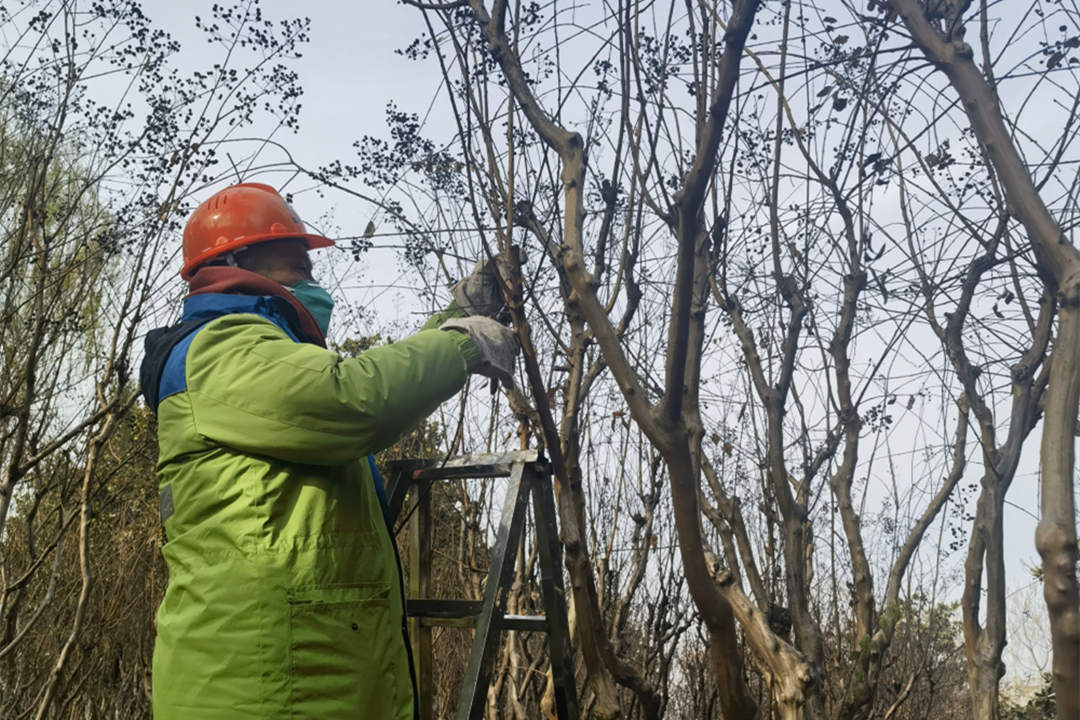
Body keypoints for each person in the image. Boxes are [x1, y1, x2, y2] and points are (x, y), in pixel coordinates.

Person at [139, 182, 518, 719]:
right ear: (236, 262)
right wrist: (462, 342)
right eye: (297, 263)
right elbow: (349, 399)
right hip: (258, 690)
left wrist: (455, 315)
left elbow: (343, 395)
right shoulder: (221, 347)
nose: (313, 280)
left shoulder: (258, 359)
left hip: (290, 681)